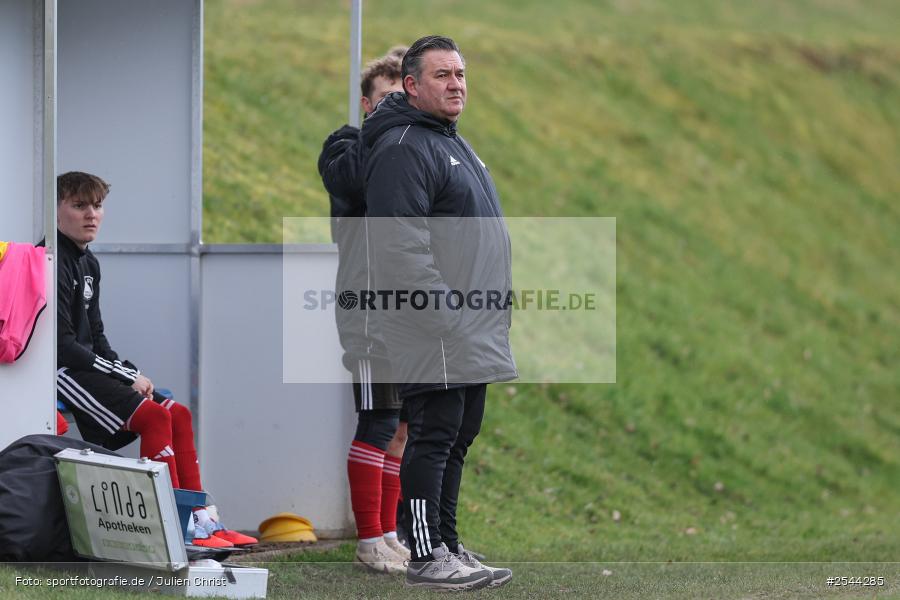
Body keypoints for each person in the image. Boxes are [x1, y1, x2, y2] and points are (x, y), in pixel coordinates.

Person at [361, 35, 516, 590]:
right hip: (432, 326)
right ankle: (424, 554)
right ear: (411, 85)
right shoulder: (404, 145)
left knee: (460, 432)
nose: (456, 84)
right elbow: (400, 246)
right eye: (443, 75)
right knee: (433, 434)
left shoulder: (449, 141)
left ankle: (446, 545)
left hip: (472, 323)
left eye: (461, 74)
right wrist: (443, 312)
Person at [50, 171, 256, 550]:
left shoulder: (89, 262)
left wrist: (129, 372)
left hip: (84, 365)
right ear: (55, 209)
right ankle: (170, 531)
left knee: (177, 413)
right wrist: (124, 374)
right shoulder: (49, 258)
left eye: (97, 206)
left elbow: (95, 337)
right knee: (153, 417)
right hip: (58, 371)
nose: (91, 214)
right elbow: (61, 346)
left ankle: (201, 520)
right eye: (79, 205)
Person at [318, 49, 411, 574]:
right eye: (384, 101)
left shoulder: (414, 148)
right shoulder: (346, 142)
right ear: (366, 103)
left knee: (401, 428)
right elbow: (350, 181)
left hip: (411, 311)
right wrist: (385, 127)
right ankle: (368, 539)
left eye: (402, 100)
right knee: (376, 421)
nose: (393, 109)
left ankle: (390, 532)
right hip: (367, 306)